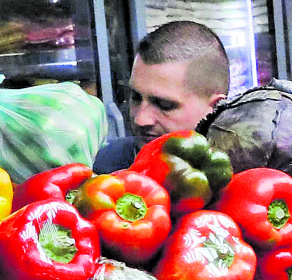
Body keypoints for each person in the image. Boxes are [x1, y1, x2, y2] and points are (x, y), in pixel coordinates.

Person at [95, 20, 232, 172]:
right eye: (136, 97)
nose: (140, 119)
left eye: (164, 105)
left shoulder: (247, 178)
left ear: (215, 109)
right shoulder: (103, 167)